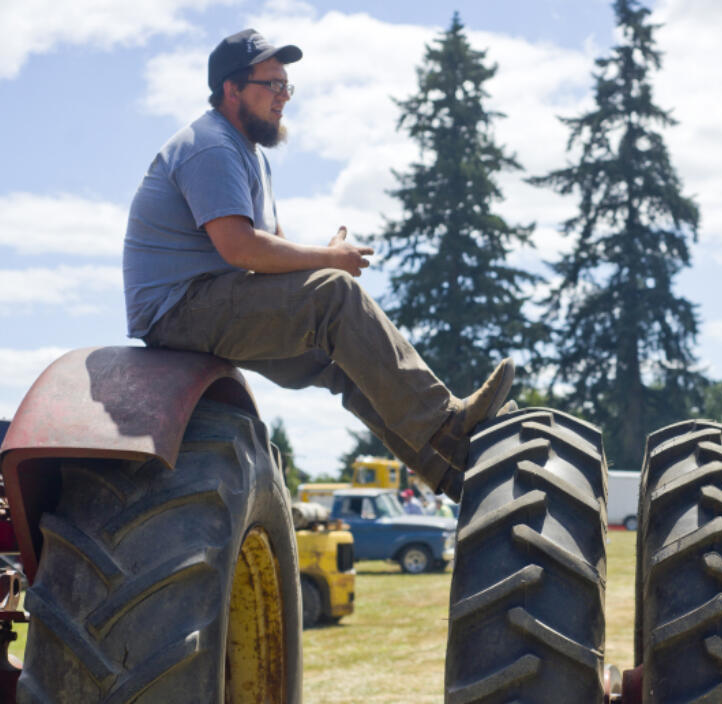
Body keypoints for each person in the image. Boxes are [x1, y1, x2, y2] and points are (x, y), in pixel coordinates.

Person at [122, 29, 514, 501]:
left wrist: (319, 261)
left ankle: (453, 475)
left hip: (215, 301)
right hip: (180, 309)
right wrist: (328, 264)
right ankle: (447, 425)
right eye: (272, 85)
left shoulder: (249, 156)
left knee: (345, 358)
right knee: (334, 295)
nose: (283, 98)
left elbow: (272, 249)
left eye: (287, 86)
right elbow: (241, 249)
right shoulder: (210, 147)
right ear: (231, 90)